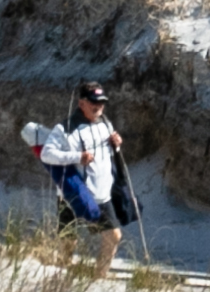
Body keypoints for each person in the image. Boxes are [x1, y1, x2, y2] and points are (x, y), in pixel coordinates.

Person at [21, 86, 138, 259]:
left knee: (113, 236)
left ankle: (99, 280)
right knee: (69, 242)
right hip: (73, 194)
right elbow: (47, 154)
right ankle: (63, 276)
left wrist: (117, 144)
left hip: (102, 194)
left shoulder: (106, 124)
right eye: (93, 102)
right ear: (81, 103)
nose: (98, 106)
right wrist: (77, 157)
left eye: (101, 102)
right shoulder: (65, 128)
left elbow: (108, 155)